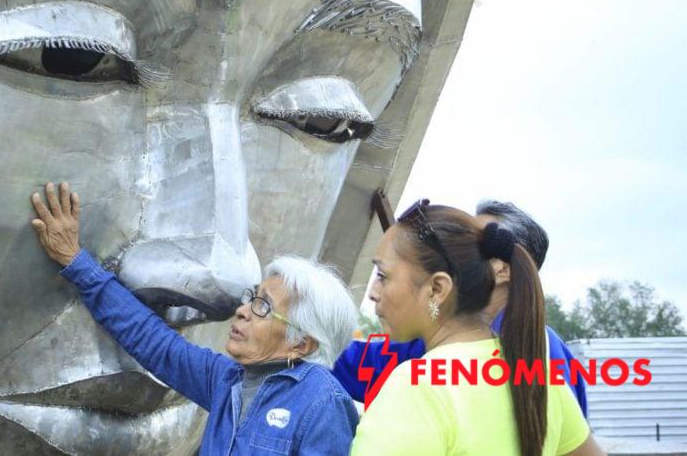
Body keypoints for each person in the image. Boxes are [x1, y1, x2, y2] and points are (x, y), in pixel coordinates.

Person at [30, 182, 360, 455]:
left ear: (301, 343)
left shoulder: (323, 405)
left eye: (263, 306)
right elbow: (154, 342)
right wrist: (76, 262)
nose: (243, 310)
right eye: (252, 297)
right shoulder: (227, 380)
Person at [350, 200, 603, 455]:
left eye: (383, 276)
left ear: (438, 288)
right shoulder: (545, 376)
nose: (373, 293)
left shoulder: (414, 388)